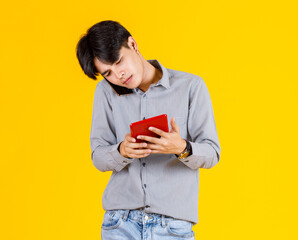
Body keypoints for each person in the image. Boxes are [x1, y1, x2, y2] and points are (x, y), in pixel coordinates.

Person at [76, 20, 220, 240]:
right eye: (108, 73)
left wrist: (180, 147)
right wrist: (122, 150)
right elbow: (98, 156)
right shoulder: (105, 92)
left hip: (172, 227)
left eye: (118, 62)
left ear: (132, 44)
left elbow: (212, 153)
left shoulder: (191, 86)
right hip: (120, 224)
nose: (118, 75)